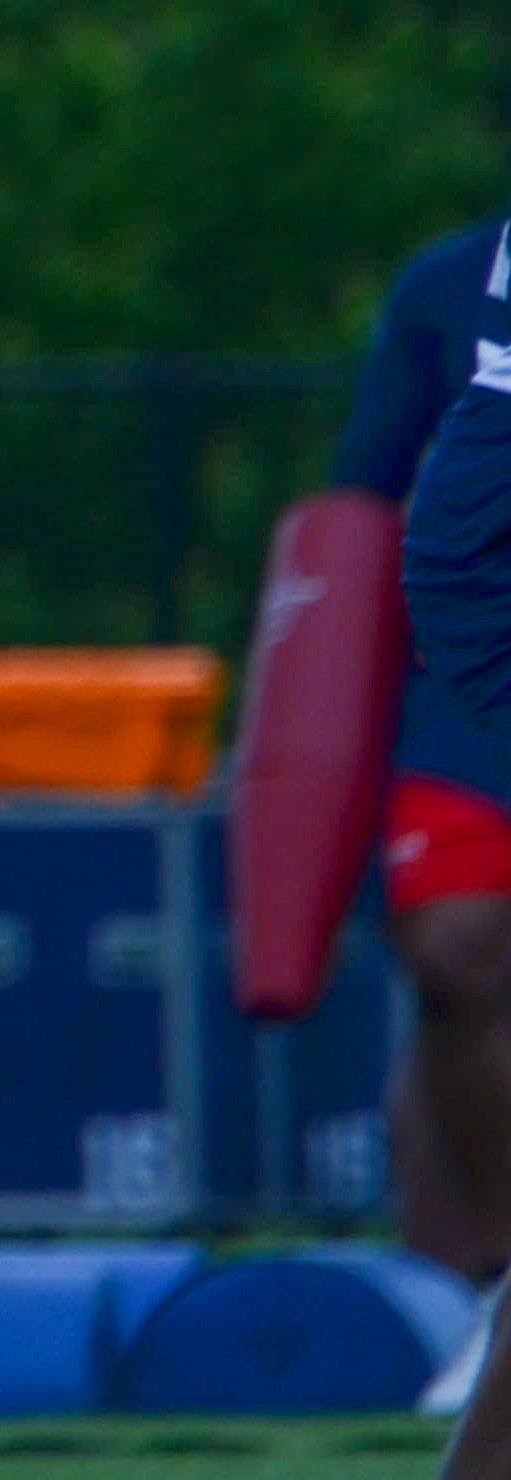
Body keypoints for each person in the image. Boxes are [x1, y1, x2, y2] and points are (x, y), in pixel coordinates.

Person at [330, 220, 511, 1297]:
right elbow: (359, 506)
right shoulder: (448, 284)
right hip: (471, 682)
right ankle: (480, 1274)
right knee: (455, 952)